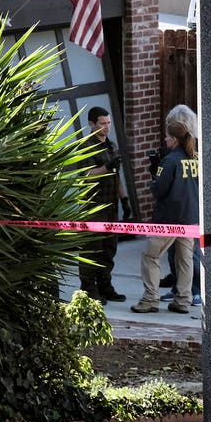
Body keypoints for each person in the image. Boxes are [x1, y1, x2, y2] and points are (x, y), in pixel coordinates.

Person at [133, 118, 200, 314]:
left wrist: (155, 173)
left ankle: (150, 300)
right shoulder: (194, 158)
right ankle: (183, 300)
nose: (165, 139)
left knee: (150, 256)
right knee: (185, 260)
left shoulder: (170, 160)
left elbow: (158, 190)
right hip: (190, 218)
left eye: (167, 137)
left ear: (174, 139)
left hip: (168, 219)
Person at [79, 106, 128, 302]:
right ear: (91, 124)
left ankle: (105, 287)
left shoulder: (111, 145)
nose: (107, 127)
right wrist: (106, 167)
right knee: (92, 250)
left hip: (111, 206)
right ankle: (88, 290)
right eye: (102, 123)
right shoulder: (85, 147)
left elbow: (117, 176)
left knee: (109, 250)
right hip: (93, 206)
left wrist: (124, 199)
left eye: (109, 123)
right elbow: (86, 176)